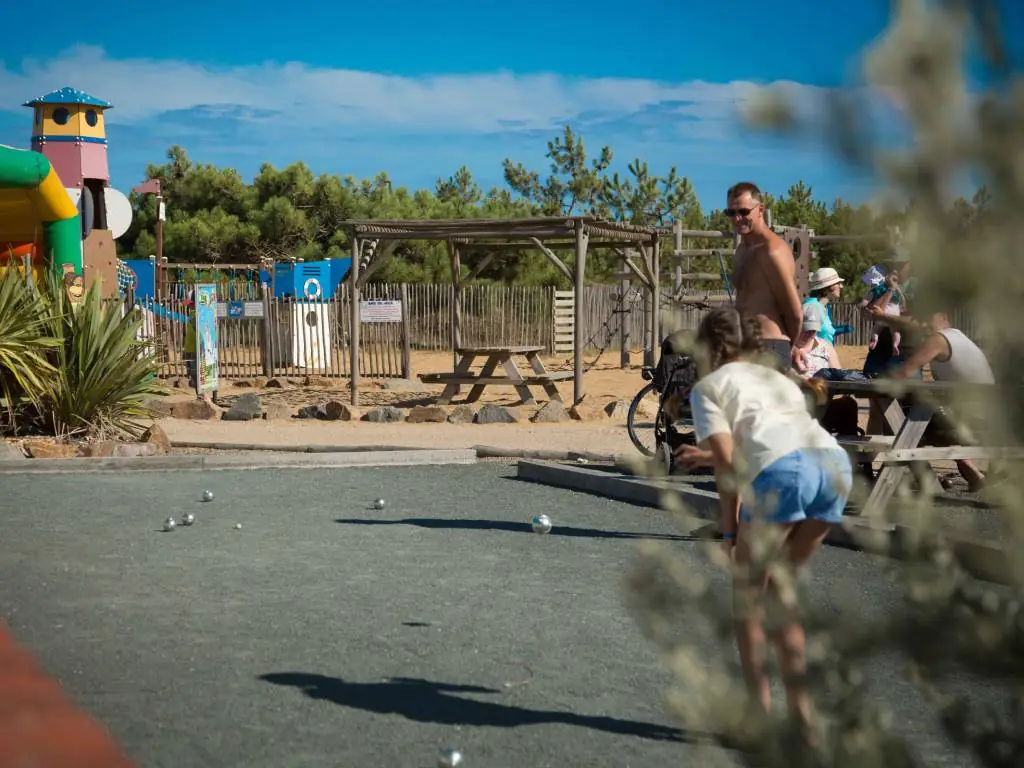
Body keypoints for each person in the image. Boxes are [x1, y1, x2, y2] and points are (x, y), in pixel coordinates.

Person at [681, 307, 853, 739]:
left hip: (786, 474)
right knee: (780, 599)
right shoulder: (777, 378)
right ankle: (803, 722)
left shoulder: (708, 388)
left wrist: (730, 531)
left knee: (748, 603)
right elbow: (766, 437)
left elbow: (727, 466)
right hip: (833, 469)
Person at [886, 306, 994, 492]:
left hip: (968, 422)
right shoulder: (960, 337)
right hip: (987, 419)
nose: (923, 323)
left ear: (944, 316)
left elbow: (902, 374)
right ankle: (972, 473)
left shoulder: (939, 339)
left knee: (905, 418)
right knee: (930, 414)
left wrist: (879, 377)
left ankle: (925, 481)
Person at [726, 182, 804, 372]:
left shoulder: (772, 251)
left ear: (760, 209)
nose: (737, 219)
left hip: (769, 348)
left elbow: (794, 313)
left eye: (744, 212)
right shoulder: (742, 250)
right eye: (731, 213)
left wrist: (787, 348)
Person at [801, 267, 851, 347]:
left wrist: (842, 329)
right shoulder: (812, 307)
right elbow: (805, 342)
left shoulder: (824, 307)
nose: (841, 286)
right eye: (838, 283)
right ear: (829, 287)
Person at [793, 306, 841, 379]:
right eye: (806, 329)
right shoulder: (785, 345)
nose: (809, 334)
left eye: (813, 330)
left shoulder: (826, 347)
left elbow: (839, 377)